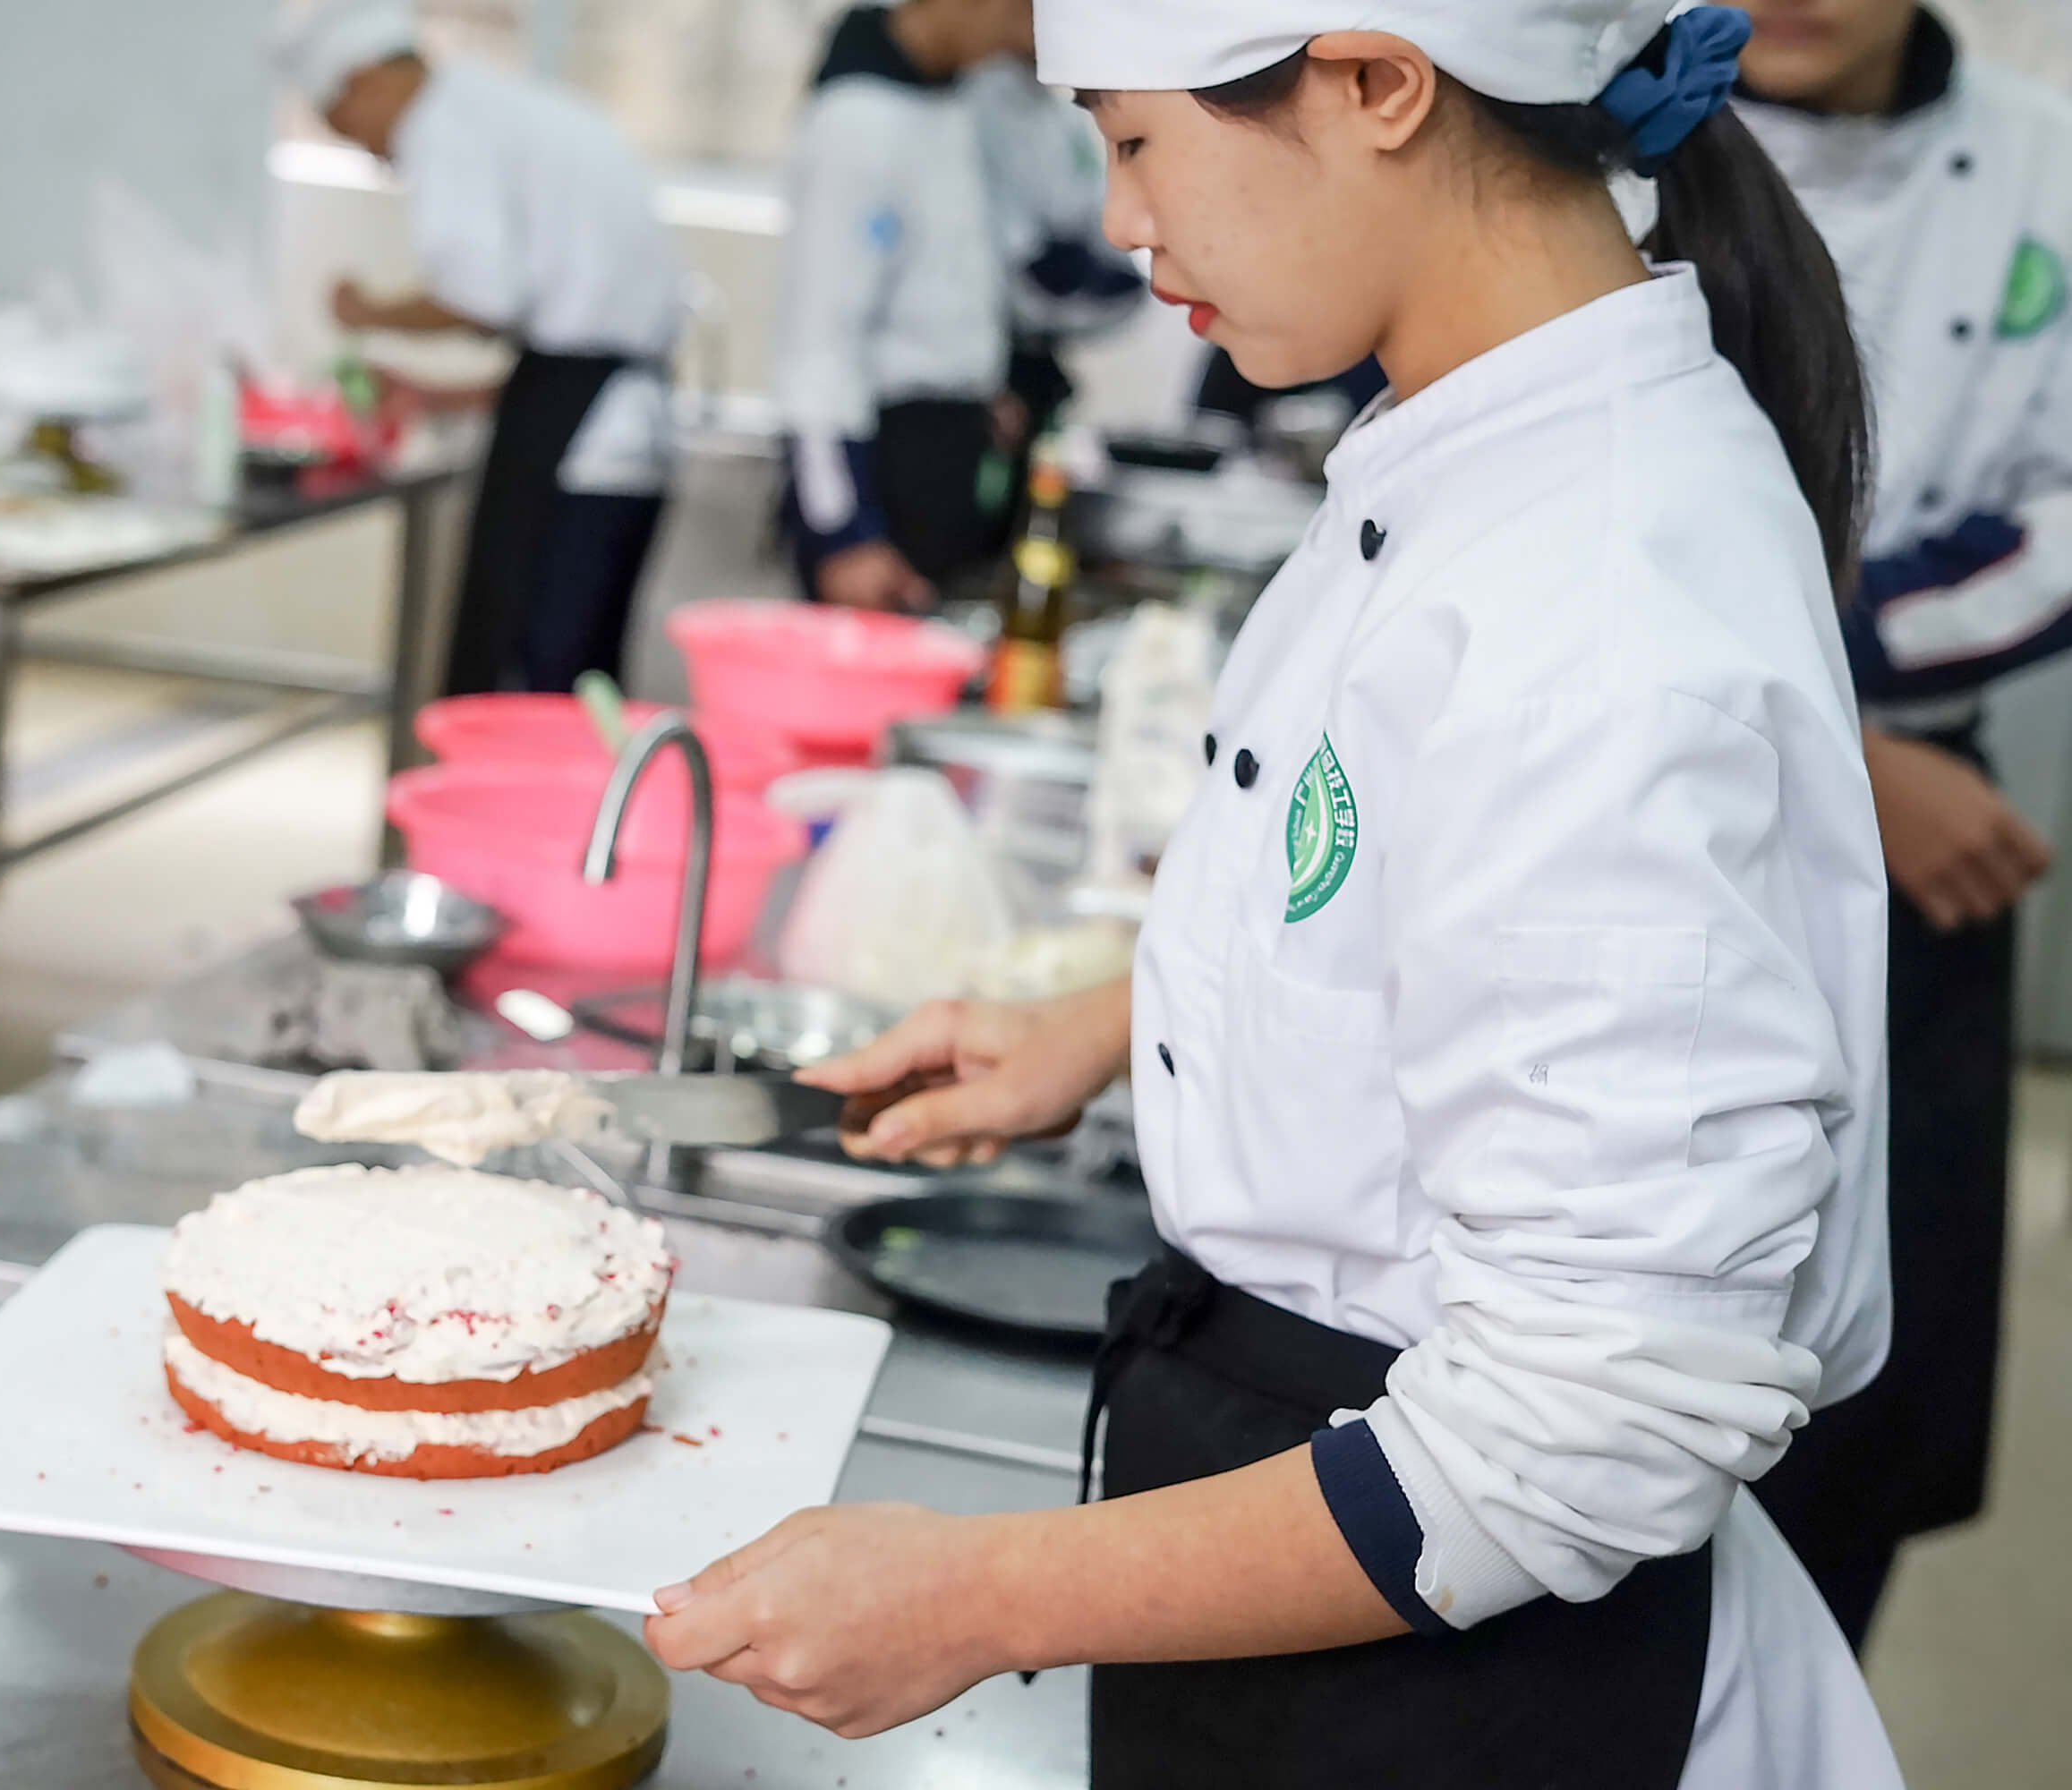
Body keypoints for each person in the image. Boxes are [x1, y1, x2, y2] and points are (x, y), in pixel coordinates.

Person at [643, 4, 1907, 1786]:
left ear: (1378, 82)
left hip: (1465, 1671)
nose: (1123, 220)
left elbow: (1589, 1419)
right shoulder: (1462, 444)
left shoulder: (1595, 599)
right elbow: (1410, 896)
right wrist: (1109, 1025)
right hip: (1326, 1571)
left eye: (1139, 140)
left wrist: (982, 1590)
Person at [1730, 0, 2072, 1654]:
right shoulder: (1598, 124)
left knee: (1864, 1394)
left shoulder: (2041, 163)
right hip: (1660, 779)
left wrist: (1840, 698)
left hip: (1932, 796)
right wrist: (1833, 745)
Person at [274, 0, 684, 696]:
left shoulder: (441, 123)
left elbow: (484, 298)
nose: (371, 154)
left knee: (525, 678)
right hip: (622, 431)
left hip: (581, 454)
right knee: (583, 680)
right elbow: (564, 348)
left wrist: (368, 311)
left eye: (349, 128)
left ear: (367, 78)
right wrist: (438, 393)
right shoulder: (509, 111)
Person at [776, 0, 1035, 612]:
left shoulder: (951, 108)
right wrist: (844, 533)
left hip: (951, 448)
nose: (1026, 35)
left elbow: (934, 288)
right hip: (877, 469)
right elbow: (817, 345)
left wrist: (974, 389)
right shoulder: (856, 122)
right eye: (1018, 11)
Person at [959, 48, 1150, 504]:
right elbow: (1007, 270)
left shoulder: (1058, 114)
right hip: (977, 377)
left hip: (1033, 370)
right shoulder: (970, 103)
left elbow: (1100, 229)